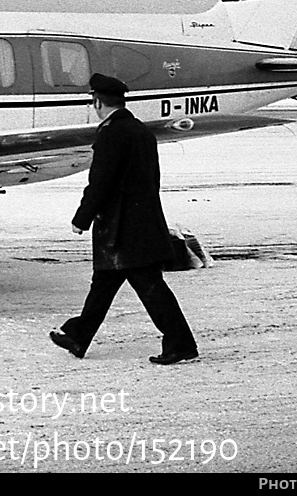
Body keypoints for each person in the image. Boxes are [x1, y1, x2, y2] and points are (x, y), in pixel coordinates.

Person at [49, 73, 198, 364]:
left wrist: (83, 217)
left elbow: (101, 181)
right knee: (103, 284)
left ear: (97, 101)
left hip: (123, 230)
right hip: (139, 223)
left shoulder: (111, 134)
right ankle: (79, 337)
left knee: (150, 288)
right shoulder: (140, 131)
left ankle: (181, 344)